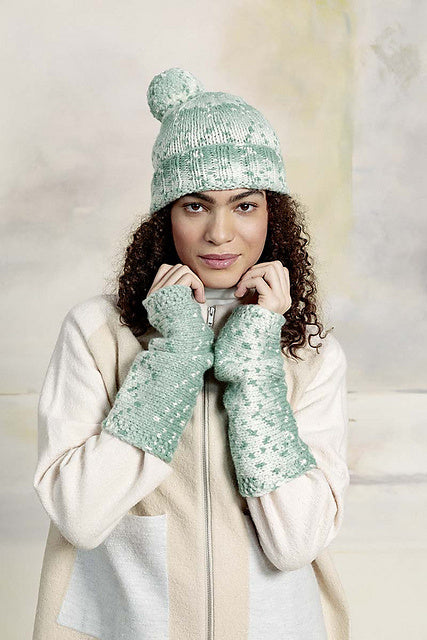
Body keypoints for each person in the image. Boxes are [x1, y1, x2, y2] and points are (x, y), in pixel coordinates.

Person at [32, 67, 351, 640]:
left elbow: (297, 543)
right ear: (165, 216)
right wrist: (174, 359)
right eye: (196, 206)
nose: (220, 233)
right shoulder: (97, 333)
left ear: (273, 215)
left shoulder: (309, 352)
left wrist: (255, 366)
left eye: (245, 205)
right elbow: (78, 514)